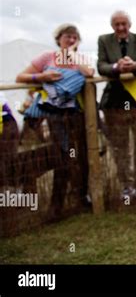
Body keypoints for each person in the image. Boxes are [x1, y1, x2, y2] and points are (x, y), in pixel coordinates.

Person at [16, 23, 94, 220]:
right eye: (67, 36)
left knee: (82, 157)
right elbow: (20, 77)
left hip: (77, 115)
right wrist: (42, 76)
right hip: (53, 116)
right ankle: (55, 208)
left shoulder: (82, 59)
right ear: (58, 38)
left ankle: (79, 199)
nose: (71, 39)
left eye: (75, 37)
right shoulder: (47, 57)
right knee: (63, 157)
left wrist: (73, 55)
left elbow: (89, 73)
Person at [97, 11, 136, 202]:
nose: (121, 28)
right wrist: (116, 67)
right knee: (120, 148)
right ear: (112, 26)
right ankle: (126, 187)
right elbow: (101, 66)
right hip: (114, 104)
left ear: (130, 24)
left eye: (124, 24)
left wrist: (134, 65)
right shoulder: (104, 41)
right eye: (116, 24)